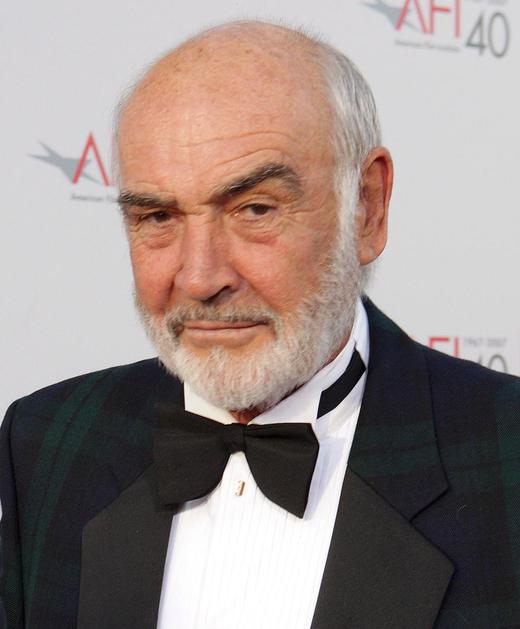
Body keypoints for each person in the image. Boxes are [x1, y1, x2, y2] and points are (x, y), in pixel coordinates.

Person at [1, 20, 519, 629]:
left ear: (367, 207)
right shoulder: (48, 442)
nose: (200, 277)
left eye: (254, 209)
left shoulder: (504, 455)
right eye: (159, 217)